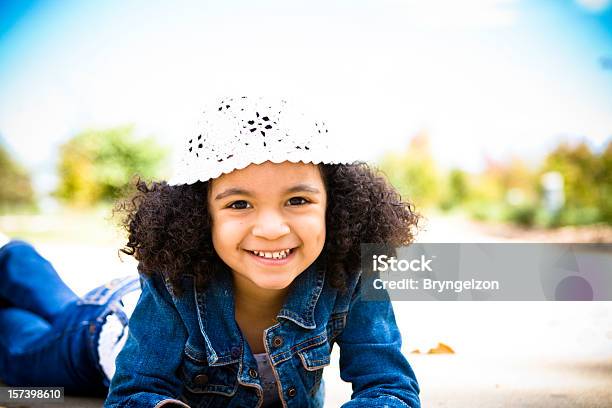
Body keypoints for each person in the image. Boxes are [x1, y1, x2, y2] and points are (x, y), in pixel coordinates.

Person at [1, 97, 421, 407]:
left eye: (297, 201)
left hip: (126, 300)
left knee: (57, 306)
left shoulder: (351, 275)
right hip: (105, 328)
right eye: (239, 204)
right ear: (201, 217)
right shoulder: (172, 283)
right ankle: (15, 261)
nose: (272, 229)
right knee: (20, 352)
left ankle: (20, 263)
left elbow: (391, 389)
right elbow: (134, 392)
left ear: (337, 206)